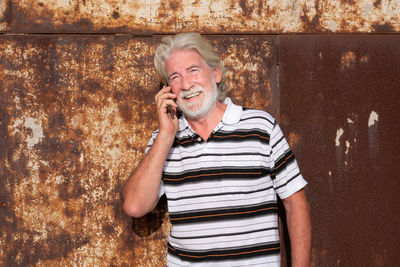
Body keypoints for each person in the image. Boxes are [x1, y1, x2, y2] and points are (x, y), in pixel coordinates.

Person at [123, 32, 311, 266]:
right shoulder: (163, 141)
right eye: (175, 76)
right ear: (168, 89)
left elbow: (295, 202)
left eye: (193, 70)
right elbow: (134, 206)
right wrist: (166, 136)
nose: (187, 84)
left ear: (216, 73)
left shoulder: (260, 127)